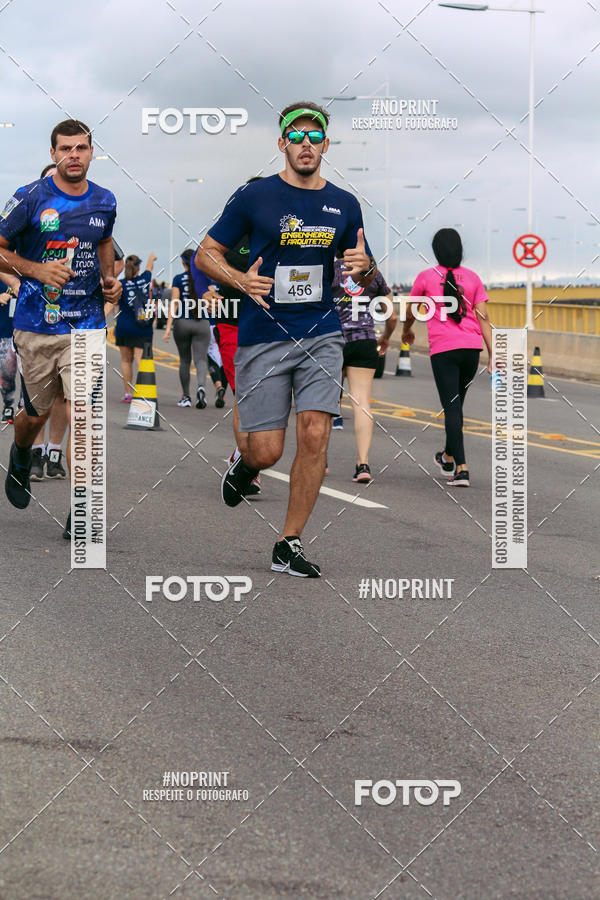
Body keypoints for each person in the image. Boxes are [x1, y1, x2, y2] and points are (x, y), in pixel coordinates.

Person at [196, 101, 375, 577]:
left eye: (314, 137)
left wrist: (365, 268)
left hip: (322, 333)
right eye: (296, 137)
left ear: (326, 145)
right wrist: (239, 280)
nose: (305, 144)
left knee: (315, 434)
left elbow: (366, 268)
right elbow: (206, 254)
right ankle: (245, 465)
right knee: (268, 451)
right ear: (282, 144)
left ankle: (288, 542)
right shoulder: (255, 197)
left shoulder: (345, 203)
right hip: (264, 335)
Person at [0, 118, 121, 536]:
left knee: (84, 415)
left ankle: (83, 509)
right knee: (34, 414)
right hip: (36, 324)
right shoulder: (29, 198)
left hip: (86, 325)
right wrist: (36, 270)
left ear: (91, 153)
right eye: (65, 148)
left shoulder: (104, 201)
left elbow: (104, 241)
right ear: (53, 154)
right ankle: (19, 455)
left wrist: (109, 280)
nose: (74, 155)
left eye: (81, 148)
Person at [404, 228, 492, 487]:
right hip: (471, 350)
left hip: (444, 350)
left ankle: (461, 469)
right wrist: (494, 353)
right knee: (456, 407)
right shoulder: (474, 278)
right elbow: (484, 319)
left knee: (452, 408)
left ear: (436, 251)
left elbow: (410, 311)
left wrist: (407, 329)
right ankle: (447, 455)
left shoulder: (425, 277)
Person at [331, 256, 397, 483]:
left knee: (325, 402)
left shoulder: (329, 269)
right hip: (365, 339)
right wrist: (386, 338)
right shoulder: (372, 272)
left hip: (332, 341)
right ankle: (363, 464)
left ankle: (319, 460)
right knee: (361, 402)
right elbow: (392, 315)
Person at [165, 248, 211, 409]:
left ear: (183, 262)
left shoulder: (178, 279)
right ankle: (201, 387)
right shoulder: (205, 278)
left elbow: (174, 302)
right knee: (201, 359)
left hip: (183, 322)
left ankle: (186, 397)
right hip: (202, 322)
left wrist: (168, 326)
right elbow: (213, 300)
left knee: (185, 360)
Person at [111, 252, 157, 400]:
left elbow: (113, 303)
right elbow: (150, 267)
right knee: (141, 359)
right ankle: (144, 391)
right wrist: (152, 258)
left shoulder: (122, 284)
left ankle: (128, 393)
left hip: (124, 326)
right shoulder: (145, 279)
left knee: (126, 361)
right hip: (142, 327)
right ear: (138, 268)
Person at [0, 278, 17, 424]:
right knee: (7, 374)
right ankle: (8, 405)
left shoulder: (32, 266)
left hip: (29, 331)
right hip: (4, 331)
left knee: (31, 375)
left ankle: (25, 407)